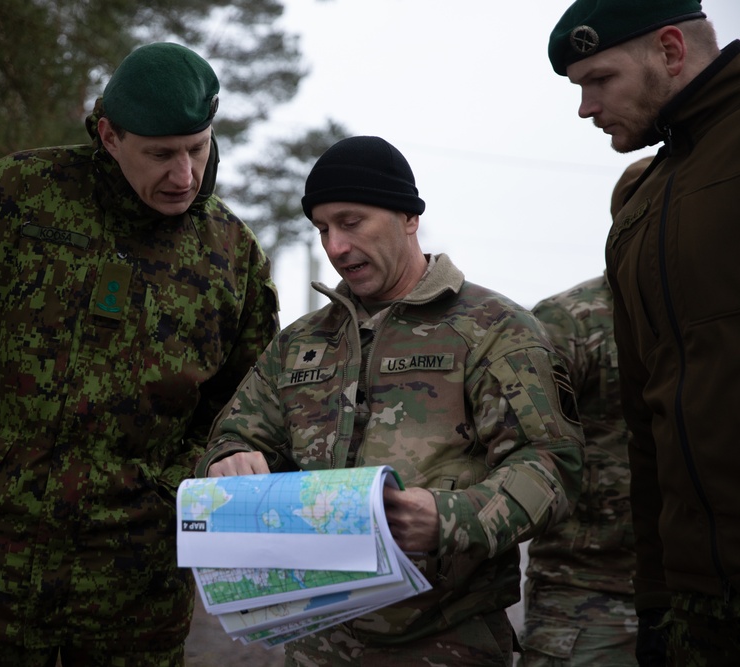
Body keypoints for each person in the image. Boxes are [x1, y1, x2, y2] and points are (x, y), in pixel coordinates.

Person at [0, 42, 279, 666]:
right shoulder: (14, 197)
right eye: (160, 154)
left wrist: (170, 493)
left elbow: (248, 401)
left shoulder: (231, 253)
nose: (184, 176)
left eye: (197, 149)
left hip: (134, 591)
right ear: (109, 135)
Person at [195, 135, 584, 666]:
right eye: (322, 229)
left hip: (446, 641)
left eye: (351, 222)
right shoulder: (301, 343)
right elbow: (235, 433)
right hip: (316, 639)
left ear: (408, 217)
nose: (335, 246)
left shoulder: (495, 329)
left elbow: (551, 466)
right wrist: (228, 458)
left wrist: (451, 517)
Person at [549, 1, 740, 663]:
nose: (585, 107)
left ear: (669, 49)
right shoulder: (638, 206)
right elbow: (645, 422)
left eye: (598, 80)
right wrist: (659, 597)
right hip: (700, 602)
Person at [517, 156, 654, 667]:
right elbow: (515, 446)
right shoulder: (570, 320)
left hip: (704, 585)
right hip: (589, 590)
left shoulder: (712, 318)